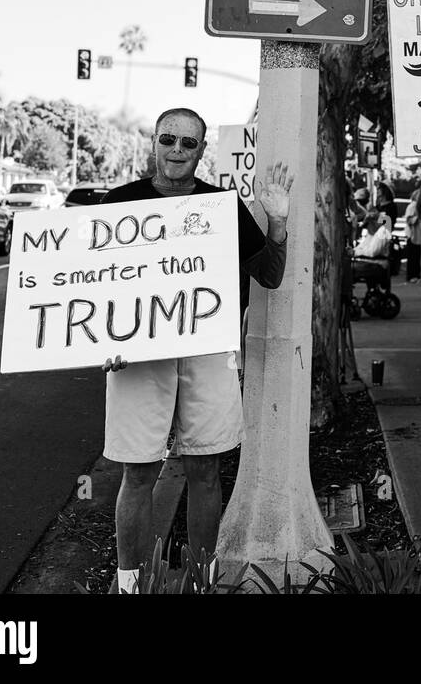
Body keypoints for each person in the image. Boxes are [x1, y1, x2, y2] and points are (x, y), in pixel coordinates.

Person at [100, 107, 292, 593]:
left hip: (209, 350)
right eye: (169, 140)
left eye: (189, 144)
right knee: (138, 471)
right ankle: (129, 585)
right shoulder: (118, 203)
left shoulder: (221, 206)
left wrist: (278, 220)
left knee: (205, 469)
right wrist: (103, 341)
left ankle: (203, 581)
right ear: (154, 142)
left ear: (202, 151)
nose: (178, 151)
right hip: (138, 355)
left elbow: (269, 275)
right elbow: (94, 285)